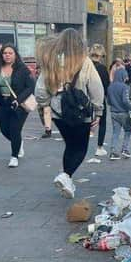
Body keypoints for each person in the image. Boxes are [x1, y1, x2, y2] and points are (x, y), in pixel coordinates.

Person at [35, 28, 104, 199]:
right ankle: (66, 175)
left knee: (70, 145)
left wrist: (45, 105)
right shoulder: (84, 61)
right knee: (81, 148)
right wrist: (98, 110)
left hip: (59, 113)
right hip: (80, 112)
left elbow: (40, 90)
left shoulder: (51, 60)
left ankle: (67, 179)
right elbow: (96, 87)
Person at [0, 44, 35, 168]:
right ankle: (18, 143)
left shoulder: (22, 69)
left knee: (15, 130)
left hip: (19, 104)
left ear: (15, 54)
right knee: (4, 130)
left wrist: (18, 99)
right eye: (5, 53)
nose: (7, 55)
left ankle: (14, 156)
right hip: (3, 103)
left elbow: (30, 87)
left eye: (10, 53)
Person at [107, 69, 131, 159]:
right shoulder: (124, 87)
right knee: (128, 130)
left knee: (115, 132)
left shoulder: (110, 87)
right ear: (123, 76)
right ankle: (124, 149)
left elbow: (108, 101)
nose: (126, 78)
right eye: (125, 76)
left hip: (113, 113)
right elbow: (125, 101)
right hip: (124, 113)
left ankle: (113, 152)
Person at [89, 44, 110, 157]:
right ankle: (99, 147)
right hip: (99, 99)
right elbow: (106, 85)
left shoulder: (85, 67)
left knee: (86, 121)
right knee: (102, 123)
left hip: (85, 98)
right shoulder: (102, 68)